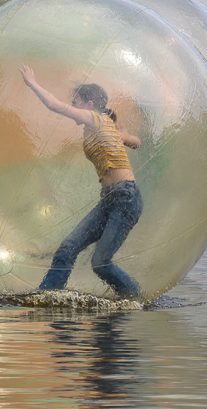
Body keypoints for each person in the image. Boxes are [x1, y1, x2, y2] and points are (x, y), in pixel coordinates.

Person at [20, 66, 144, 299]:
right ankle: (47, 297)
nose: (73, 105)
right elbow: (135, 142)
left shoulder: (94, 118)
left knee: (101, 263)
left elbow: (55, 105)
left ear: (89, 104)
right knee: (67, 249)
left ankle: (136, 297)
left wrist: (32, 83)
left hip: (126, 198)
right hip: (109, 200)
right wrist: (123, 136)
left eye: (75, 102)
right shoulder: (99, 125)